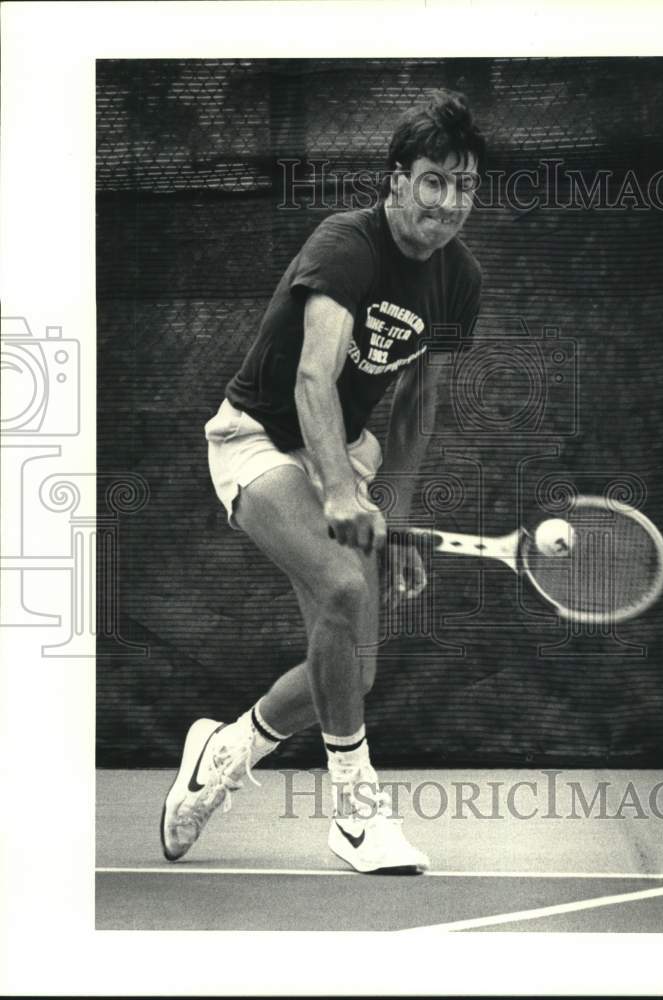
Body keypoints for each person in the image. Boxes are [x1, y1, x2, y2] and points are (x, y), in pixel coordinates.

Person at [160, 89, 485, 874]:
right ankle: (355, 812)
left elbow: (418, 403)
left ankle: (224, 751)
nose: (447, 204)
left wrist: (394, 511)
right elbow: (313, 379)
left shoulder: (459, 279)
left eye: (465, 186)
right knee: (343, 589)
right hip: (259, 442)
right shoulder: (347, 246)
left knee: (353, 672)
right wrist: (341, 492)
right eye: (434, 182)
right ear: (398, 180)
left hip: (349, 452)